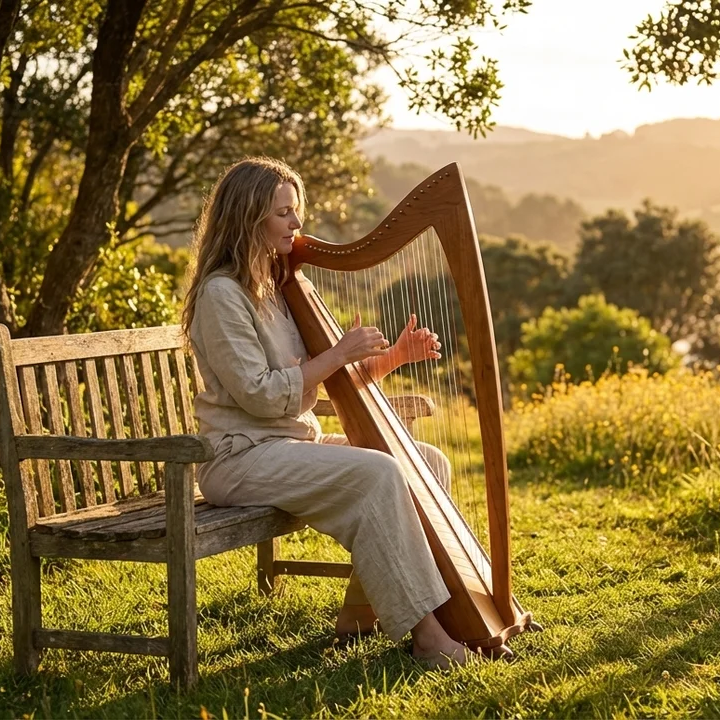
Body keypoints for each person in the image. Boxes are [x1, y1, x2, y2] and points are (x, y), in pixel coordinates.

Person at [181, 156, 492, 668]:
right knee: (379, 473)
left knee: (428, 461)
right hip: (238, 458)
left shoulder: (277, 292)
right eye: (283, 213)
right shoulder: (221, 295)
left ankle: (357, 617)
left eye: (295, 211)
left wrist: (393, 358)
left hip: (289, 445)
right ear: (248, 216)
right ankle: (428, 638)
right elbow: (259, 395)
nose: (297, 225)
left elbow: (331, 384)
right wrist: (337, 354)